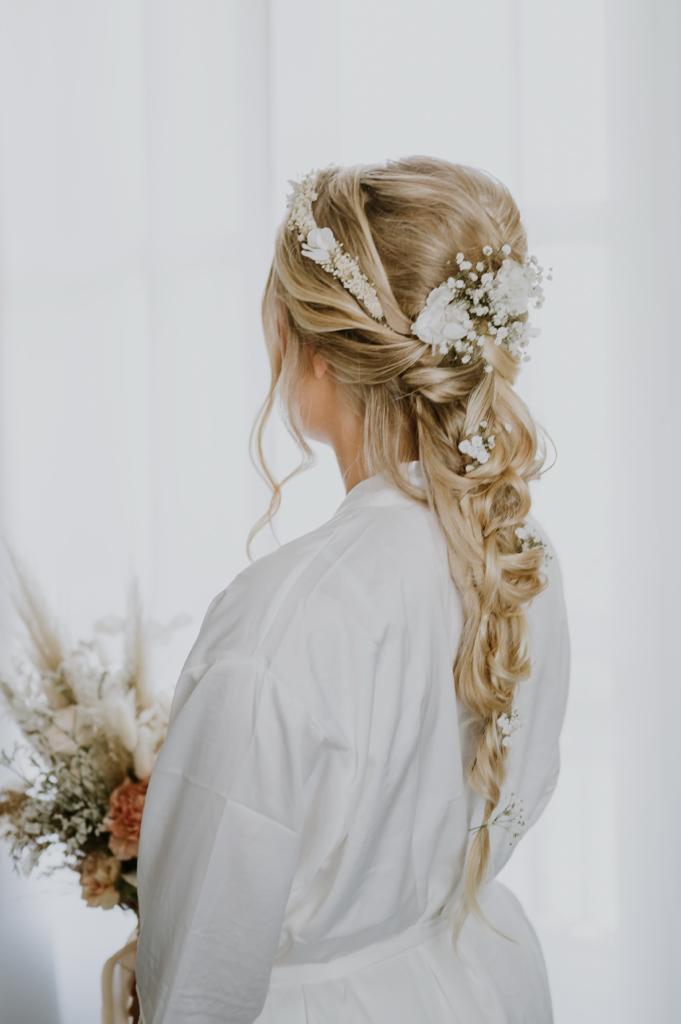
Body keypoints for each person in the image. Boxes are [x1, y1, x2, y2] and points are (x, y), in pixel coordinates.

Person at [134, 155, 571, 1023]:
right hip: (478, 979)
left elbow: (196, 979)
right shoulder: (516, 547)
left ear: (314, 354)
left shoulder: (282, 621)